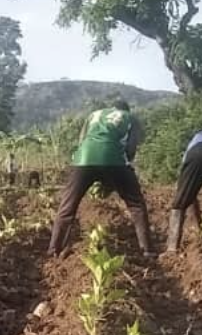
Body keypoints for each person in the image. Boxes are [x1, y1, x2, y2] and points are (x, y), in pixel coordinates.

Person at [47, 98, 153, 256]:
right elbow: (131, 148)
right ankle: (147, 250)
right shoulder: (130, 117)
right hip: (114, 160)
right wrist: (124, 168)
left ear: (112, 107)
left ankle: (54, 249)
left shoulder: (94, 114)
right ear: (126, 109)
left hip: (83, 160)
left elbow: (82, 140)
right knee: (136, 205)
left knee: (67, 206)